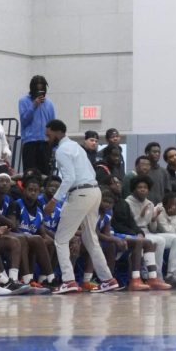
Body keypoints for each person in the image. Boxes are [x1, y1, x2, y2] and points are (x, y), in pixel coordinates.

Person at [44, 118, 120, 295]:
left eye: (48, 134)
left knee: (61, 239)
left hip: (80, 193)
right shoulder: (77, 147)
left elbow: (69, 178)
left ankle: (68, 280)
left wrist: (54, 200)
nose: (47, 138)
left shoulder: (62, 150)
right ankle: (108, 279)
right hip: (94, 192)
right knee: (90, 238)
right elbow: (91, 172)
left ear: (56, 132)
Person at [125, 176, 176, 289]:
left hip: (148, 232)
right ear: (134, 189)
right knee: (159, 240)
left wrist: (153, 219)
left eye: (145, 187)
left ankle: (172, 274)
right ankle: (153, 275)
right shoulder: (127, 202)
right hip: (136, 233)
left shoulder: (150, 203)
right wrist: (142, 215)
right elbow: (133, 225)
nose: (143, 189)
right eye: (140, 187)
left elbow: (152, 229)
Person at [95, 189, 150, 292]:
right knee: (111, 245)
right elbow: (96, 233)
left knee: (140, 241)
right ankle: (107, 280)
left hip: (108, 236)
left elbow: (107, 232)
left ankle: (136, 279)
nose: (107, 204)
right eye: (105, 201)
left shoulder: (109, 212)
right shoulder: (94, 212)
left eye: (110, 203)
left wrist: (116, 239)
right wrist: (115, 240)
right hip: (92, 238)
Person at [18, 75, 55, 174]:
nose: (40, 92)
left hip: (45, 142)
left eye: (42, 90)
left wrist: (54, 145)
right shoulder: (23, 101)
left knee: (46, 172)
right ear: (32, 89)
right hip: (30, 142)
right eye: (37, 89)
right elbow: (24, 120)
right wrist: (34, 105)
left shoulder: (49, 103)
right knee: (30, 173)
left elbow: (53, 125)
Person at [145, 141, 172, 208]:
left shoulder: (164, 172)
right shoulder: (143, 171)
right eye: (154, 152)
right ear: (147, 153)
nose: (157, 154)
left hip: (160, 209)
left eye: (158, 152)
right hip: (145, 207)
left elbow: (168, 192)